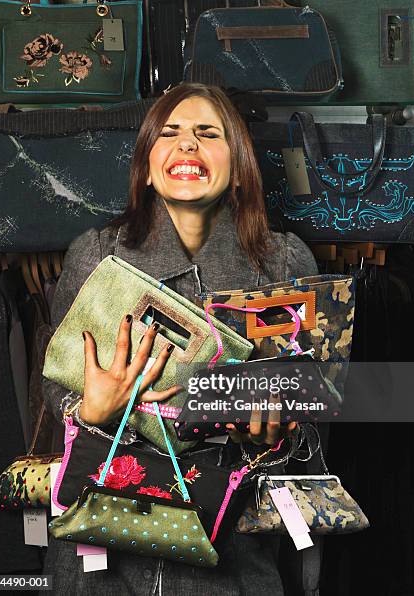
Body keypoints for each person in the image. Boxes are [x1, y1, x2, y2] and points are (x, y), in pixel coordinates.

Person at [42, 82, 318, 595]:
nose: (187, 145)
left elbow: (314, 421)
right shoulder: (96, 255)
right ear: (147, 168)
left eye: (207, 133)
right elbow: (56, 395)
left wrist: (275, 434)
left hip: (234, 563)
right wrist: (91, 412)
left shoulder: (284, 263)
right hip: (105, 561)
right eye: (169, 133)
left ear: (238, 169)